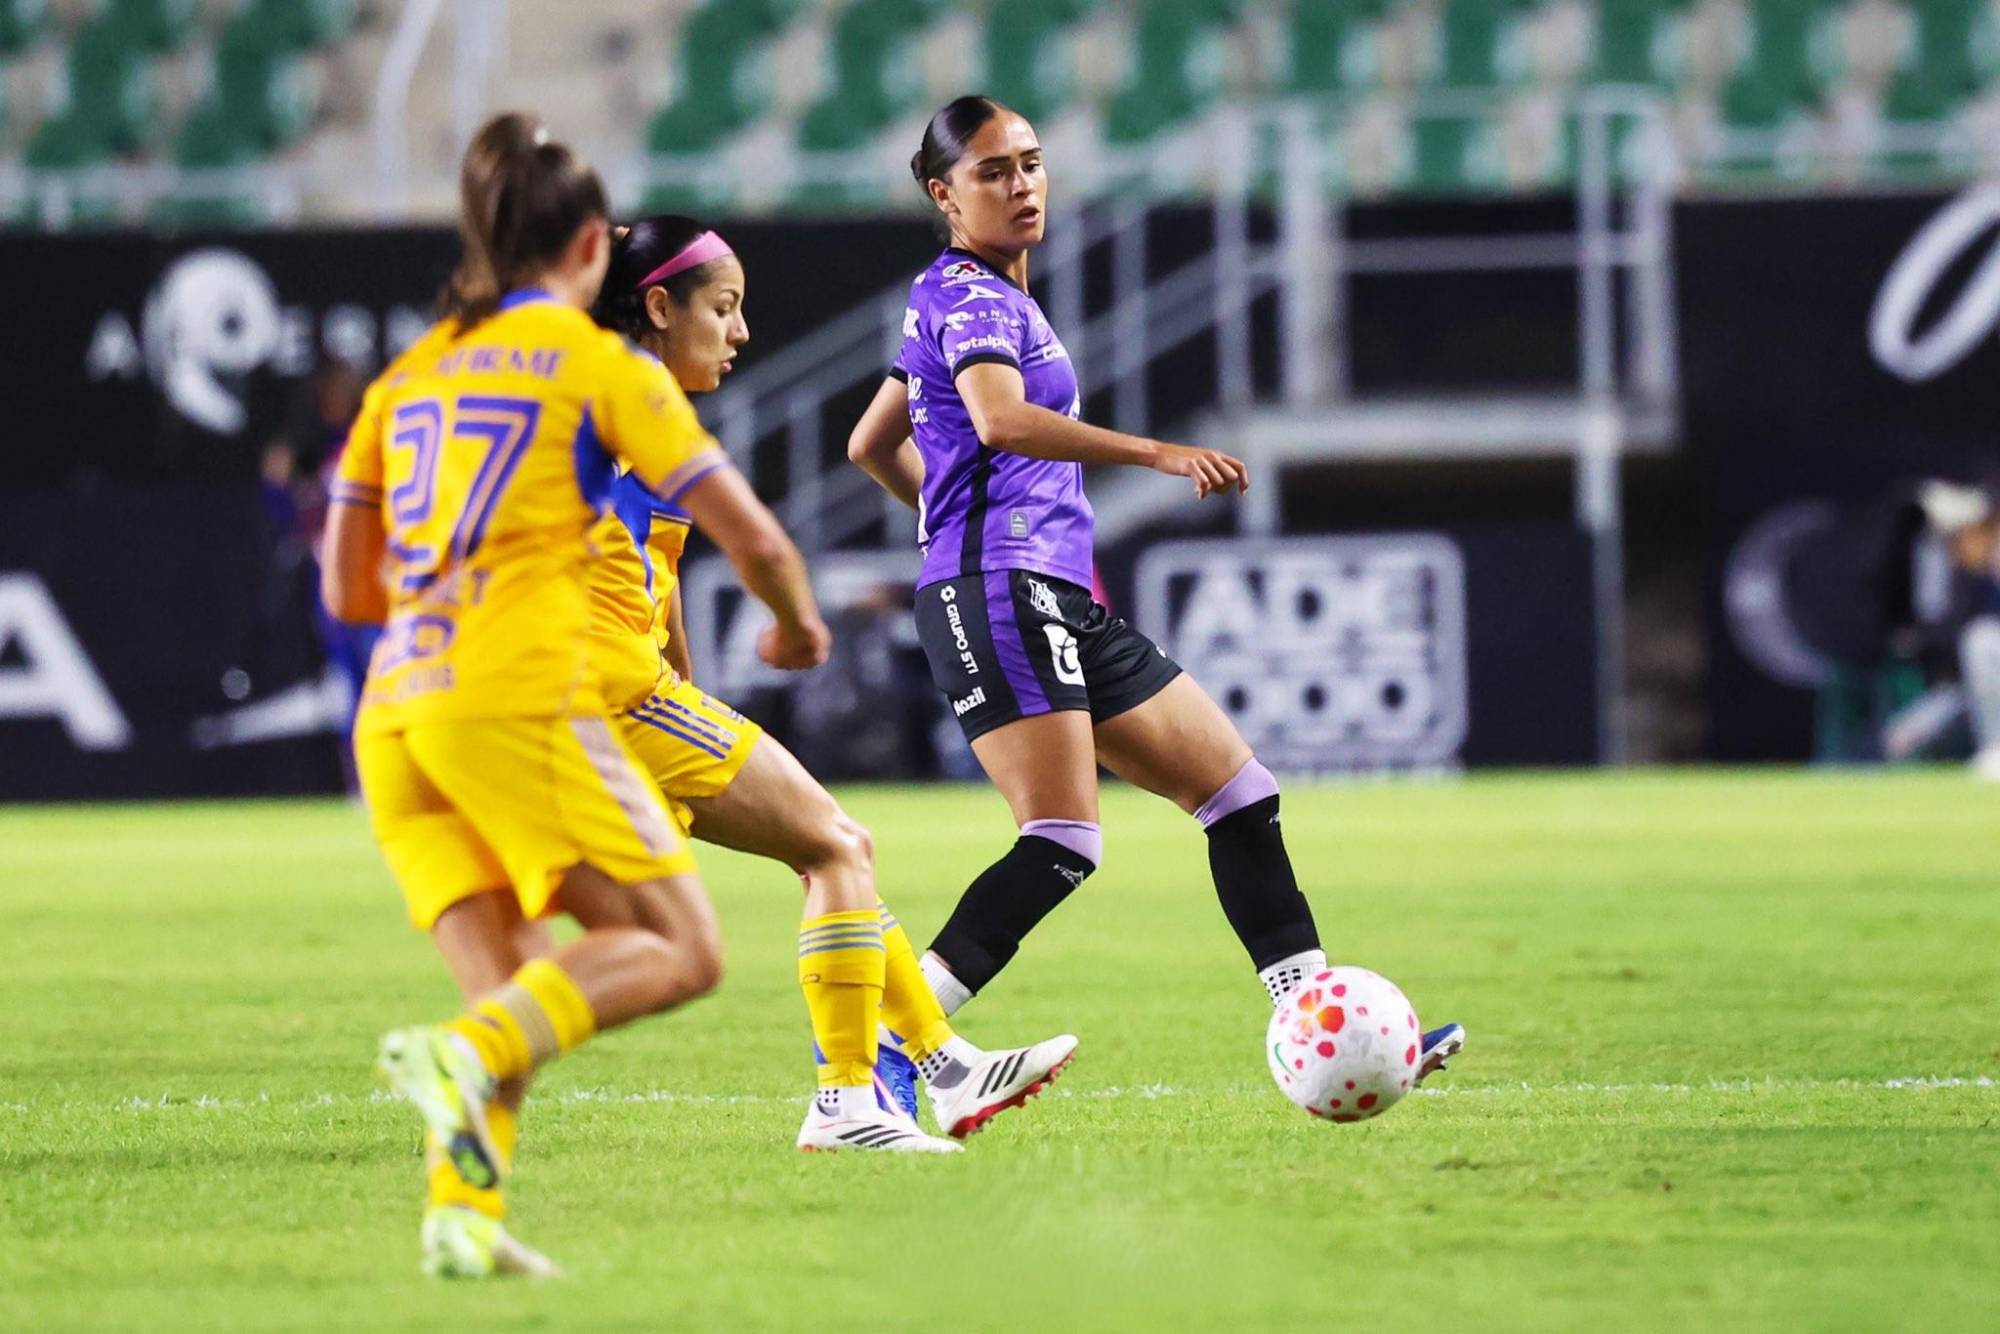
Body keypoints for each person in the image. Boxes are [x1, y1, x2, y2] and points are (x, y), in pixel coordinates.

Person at [321, 115, 840, 1282]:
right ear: (591, 253)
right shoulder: (602, 367)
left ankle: (461, 1212)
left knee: (519, 976)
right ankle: (460, 1050)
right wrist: (797, 623)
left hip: (397, 714)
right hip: (516, 696)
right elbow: (747, 534)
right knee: (677, 947)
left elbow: (349, 586)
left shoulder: (406, 376)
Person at [845, 96, 1466, 1071]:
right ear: (942, 193)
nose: (1020, 185)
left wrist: (940, 506)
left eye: (1030, 163)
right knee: (1059, 837)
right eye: (992, 172)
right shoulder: (967, 298)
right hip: (1001, 590)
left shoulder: (984, 299)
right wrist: (1153, 452)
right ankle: (886, 1052)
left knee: (1239, 795)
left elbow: (869, 440)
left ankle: (1321, 1031)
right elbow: (1001, 421)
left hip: (1048, 590)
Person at [588, 215, 1077, 1147]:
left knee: (831, 846)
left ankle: (945, 1066)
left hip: (621, 689)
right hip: (610, 690)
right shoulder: (633, 389)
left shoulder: (615, 395)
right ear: (658, 307)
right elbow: (738, 541)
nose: (739, 334)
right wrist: (790, 621)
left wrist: (685, 686)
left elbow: (656, 562)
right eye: (723, 310)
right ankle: (849, 1099)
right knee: (837, 847)